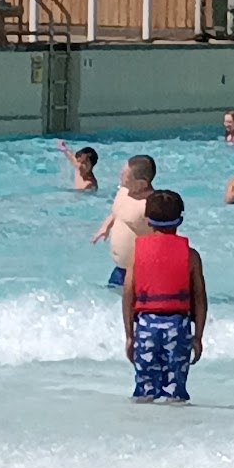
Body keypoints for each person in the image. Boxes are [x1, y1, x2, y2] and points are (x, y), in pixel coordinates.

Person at [122, 190, 206, 402]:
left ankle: (143, 419)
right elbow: (200, 299)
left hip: (146, 326)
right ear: (180, 220)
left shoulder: (136, 253)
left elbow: (128, 295)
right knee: (176, 391)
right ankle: (175, 420)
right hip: (178, 327)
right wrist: (198, 336)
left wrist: (130, 336)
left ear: (148, 220)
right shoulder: (191, 256)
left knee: (145, 390)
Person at [91, 154, 156, 287]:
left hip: (138, 272)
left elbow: (162, 237)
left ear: (141, 184)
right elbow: (117, 211)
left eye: (125, 176)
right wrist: (105, 227)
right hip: (120, 269)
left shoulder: (150, 206)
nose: (120, 176)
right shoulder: (124, 190)